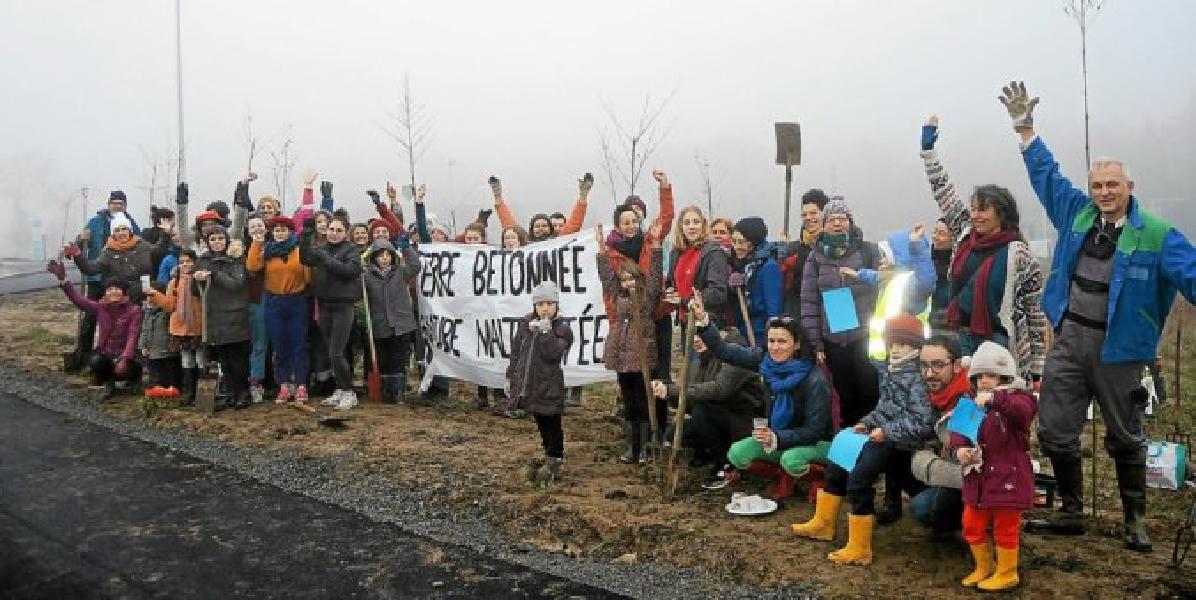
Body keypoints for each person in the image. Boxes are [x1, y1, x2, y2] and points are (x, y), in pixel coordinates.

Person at [1001, 81, 1196, 552]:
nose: (1104, 192)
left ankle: (1136, 522)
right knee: (1054, 428)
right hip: (1069, 342)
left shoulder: (1158, 235)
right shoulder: (1077, 214)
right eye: (1098, 185)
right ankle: (1070, 512)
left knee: (1125, 436)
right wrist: (1025, 129)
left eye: (1113, 185)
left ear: (1130, 188)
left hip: (1123, 350)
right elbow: (1047, 177)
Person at [792, 313, 934, 566]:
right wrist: (866, 422)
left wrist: (887, 432)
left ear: (915, 346)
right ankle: (824, 523)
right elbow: (884, 407)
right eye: (893, 343)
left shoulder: (918, 378)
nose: (895, 348)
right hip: (882, 435)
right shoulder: (892, 370)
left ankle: (860, 546)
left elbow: (921, 421)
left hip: (901, 443)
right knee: (837, 463)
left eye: (902, 344)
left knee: (859, 477)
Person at [919, 114, 1046, 380]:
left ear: (1001, 213)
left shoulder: (1019, 255)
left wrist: (1038, 369)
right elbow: (943, 191)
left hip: (1001, 343)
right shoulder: (965, 234)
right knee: (965, 408)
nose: (975, 216)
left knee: (999, 409)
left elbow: (1034, 312)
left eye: (983, 210)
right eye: (973, 209)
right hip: (961, 339)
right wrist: (929, 152)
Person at [688, 291, 832, 499]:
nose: (775, 347)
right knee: (737, 453)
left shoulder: (814, 379)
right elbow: (727, 351)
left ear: (797, 344)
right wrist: (704, 321)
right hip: (779, 437)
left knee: (791, 459)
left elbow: (816, 430)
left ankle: (821, 476)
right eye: (771, 341)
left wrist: (777, 437)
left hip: (815, 443)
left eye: (782, 342)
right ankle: (785, 476)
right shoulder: (765, 361)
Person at [947, 340, 1037, 592]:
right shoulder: (969, 403)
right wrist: (959, 450)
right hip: (977, 479)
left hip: (1010, 478)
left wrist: (996, 399)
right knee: (971, 524)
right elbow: (957, 434)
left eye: (991, 375)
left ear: (1005, 377)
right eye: (979, 376)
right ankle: (984, 566)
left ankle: (1007, 572)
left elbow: (1023, 413)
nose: (984, 381)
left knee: (1005, 528)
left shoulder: (1020, 398)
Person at [651, 326, 767, 488]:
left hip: (743, 421)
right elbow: (690, 400)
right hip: (716, 416)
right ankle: (711, 453)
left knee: (701, 412)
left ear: (719, 333)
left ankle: (726, 464)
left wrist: (674, 391)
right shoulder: (698, 363)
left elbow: (719, 390)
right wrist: (668, 392)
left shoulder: (737, 357)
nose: (696, 339)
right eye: (694, 335)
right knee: (675, 433)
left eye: (701, 334)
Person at [799, 198, 881, 428]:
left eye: (842, 218)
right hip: (834, 339)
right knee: (845, 397)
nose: (837, 223)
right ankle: (850, 446)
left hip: (866, 335)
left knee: (870, 391)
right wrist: (817, 344)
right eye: (832, 219)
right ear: (824, 224)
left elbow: (884, 284)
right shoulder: (815, 258)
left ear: (850, 221)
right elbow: (809, 303)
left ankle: (874, 445)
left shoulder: (869, 251)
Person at [596, 222, 664, 464]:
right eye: (624, 279)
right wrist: (602, 252)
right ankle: (630, 446)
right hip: (622, 357)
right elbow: (606, 279)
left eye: (632, 277)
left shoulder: (646, 300)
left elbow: (656, 279)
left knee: (643, 400)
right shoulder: (617, 298)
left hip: (642, 357)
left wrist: (656, 248)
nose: (628, 282)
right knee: (629, 401)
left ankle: (646, 446)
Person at [507, 281, 575, 484]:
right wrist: (513, 376)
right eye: (540, 304)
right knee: (540, 421)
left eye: (549, 303)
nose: (545, 308)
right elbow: (517, 351)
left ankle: (556, 458)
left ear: (556, 305)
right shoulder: (526, 324)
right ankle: (548, 454)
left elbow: (553, 354)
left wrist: (546, 333)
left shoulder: (562, 329)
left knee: (552, 422)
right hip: (531, 386)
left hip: (550, 386)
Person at [67, 190, 142, 371]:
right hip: (96, 277)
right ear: (108, 204)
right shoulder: (95, 222)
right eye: (114, 203)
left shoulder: (132, 224)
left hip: (120, 282)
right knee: (91, 315)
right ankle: (84, 353)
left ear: (125, 206)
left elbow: (140, 244)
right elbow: (78, 245)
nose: (118, 206)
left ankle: (123, 355)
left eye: (121, 203)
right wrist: (80, 240)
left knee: (124, 319)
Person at [49, 263, 142, 400]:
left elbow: (132, 337)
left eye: (117, 289)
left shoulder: (134, 310)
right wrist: (63, 279)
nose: (113, 292)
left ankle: (133, 381)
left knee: (131, 367)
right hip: (108, 353)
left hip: (129, 355)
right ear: (105, 293)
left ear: (123, 292)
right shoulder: (100, 308)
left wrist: (125, 358)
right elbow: (79, 300)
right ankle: (109, 383)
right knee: (96, 361)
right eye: (110, 289)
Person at [909, 335, 971, 535]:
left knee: (923, 509)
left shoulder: (970, 401)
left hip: (972, 482)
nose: (928, 374)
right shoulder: (930, 396)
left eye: (937, 365)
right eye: (924, 365)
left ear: (957, 365)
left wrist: (929, 465)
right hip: (945, 464)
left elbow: (974, 466)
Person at [246, 215, 311, 404]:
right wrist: (256, 244)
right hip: (274, 301)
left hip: (297, 300)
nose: (280, 233)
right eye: (276, 230)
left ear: (290, 231)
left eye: (284, 229)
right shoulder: (267, 250)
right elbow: (252, 265)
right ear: (272, 233)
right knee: (280, 346)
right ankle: (284, 385)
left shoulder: (299, 251)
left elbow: (308, 278)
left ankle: (301, 385)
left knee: (298, 345)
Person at [301, 213, 363, 410]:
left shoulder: (351, 249)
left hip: (343, 306)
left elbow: (350, 271)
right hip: (325, 305)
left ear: (345, 233)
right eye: (331, 230)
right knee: (332, 351)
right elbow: (305, 257)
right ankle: (339, 388)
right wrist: (307, 233)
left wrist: (326, 259)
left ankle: (348, 391)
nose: (334, 233)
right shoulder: (321, 248)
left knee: (337, 352)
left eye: (339, 230)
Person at [196, 226, 253, 409]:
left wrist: (214, 274)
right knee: (224, 360)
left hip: (235, 315)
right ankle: (229, 393)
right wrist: (195, 279)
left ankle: (242, 393)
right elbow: (195, 292)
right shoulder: (203, 260)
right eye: (213, 239)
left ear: (226, 240)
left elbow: (236, 284)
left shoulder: (235, 259)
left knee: (238, 359)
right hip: (215, 317)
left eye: (220, 238)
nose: (217, 242)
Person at [363, 235, 421, 403]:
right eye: (381, 255)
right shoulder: (366, 277)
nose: (385, 258)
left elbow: (416, 265)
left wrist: (407, 249)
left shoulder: (401, 272)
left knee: (398, 359)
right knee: (383, 359)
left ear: (393, 257)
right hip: (379, 325)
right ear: (374, 257)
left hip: (401, 325)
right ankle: (386, 390)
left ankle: (398, 391)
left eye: (388, 255)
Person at [144, 249, 205, 405]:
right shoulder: (174, 282)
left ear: (195, 262)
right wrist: (155, 295)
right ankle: (188, 391)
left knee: (201, 359)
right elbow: (170, 305)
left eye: (188, 261)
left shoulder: (200, 279)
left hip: (198, 326)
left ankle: (202, 392)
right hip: (180, 327)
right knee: (186, 359)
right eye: (182, 262)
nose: (185, 265)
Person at [65, 213, 162, 305]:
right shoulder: (109, 252)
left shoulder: (142, 246)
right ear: (113, 233)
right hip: (121, 299)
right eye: (117, 230)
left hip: (145, 296)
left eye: (124, 229)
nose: (121, 233)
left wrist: (165, 234)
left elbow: (160, 252)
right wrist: (77, 255)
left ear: (130, 230)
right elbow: (91, 269)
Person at [492, 173, 592, 241]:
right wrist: (498, 198)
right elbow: (510, 226)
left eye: (544, 226)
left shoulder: (559, 241)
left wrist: (583, 196)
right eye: (537, 226)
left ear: (550, 228)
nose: (541, 229)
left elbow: (574, 224)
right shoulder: (525, 243)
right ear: (531, 229)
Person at [730, 217, 781, 348]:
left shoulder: (769, 267)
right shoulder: (745, 265)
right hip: (744, 330)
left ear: (754, 241)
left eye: (741, 242)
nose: (736, 247)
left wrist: (770, 340)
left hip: (760, 335)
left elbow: (773, 311)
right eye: (734, 241)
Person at [779, 189, 828, 320]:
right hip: (801, 315)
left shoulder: (835, 248)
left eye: (813, 213)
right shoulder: (796, 250)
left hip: (828, 314)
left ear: (825, 214)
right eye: (804, 214)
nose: (808, 218)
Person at [244, 214, 270, 403]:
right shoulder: (240, 249)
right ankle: (255, 381)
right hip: (255, 300)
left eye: (260, 225)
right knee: (258, 343)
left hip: (276, 297)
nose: (257, 229)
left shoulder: (274, 246)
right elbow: (252, 267)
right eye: (252, 226)